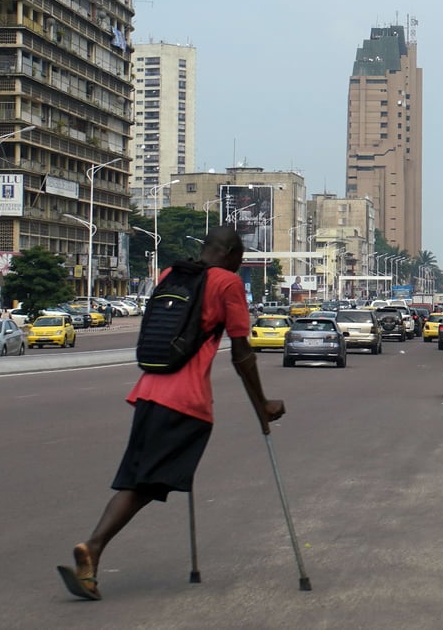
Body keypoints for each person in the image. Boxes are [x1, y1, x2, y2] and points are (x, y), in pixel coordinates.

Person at [58, 226, 286, 600]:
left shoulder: (170, 275)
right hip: (186, 403)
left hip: (147, 392)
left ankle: (93, 553)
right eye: (240, 259)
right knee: (148, 483)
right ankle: (93, 546)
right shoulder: (227, 284)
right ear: (230, 255)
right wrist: (262, 405)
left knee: (136, 478)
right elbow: (242, 352)